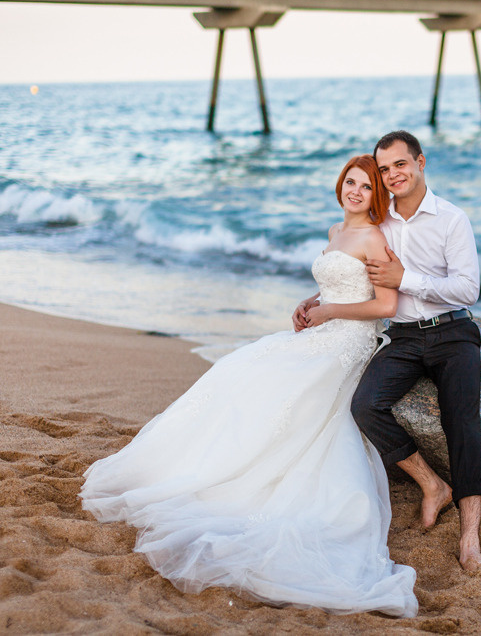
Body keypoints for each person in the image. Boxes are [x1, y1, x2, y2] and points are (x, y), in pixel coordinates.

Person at [80, 154, 418, 617]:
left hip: (348, 343)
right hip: (324, 328)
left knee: (277, 384)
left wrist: (330, 313)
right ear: (340, 185)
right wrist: (311, 302)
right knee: (242, 372)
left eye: (365, 187)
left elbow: (384, 305)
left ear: (376, 196)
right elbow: (341, 286)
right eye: (350, 183)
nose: (355, 192)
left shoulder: (374, 239)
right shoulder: (335, 233)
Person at [296, 131, 481, 572]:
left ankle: (470, 535)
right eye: (384, 169)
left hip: (452, 332)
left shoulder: (451, 219)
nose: (391, 175)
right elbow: (348, 269)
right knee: (365, 406)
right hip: (401, 337)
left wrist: (407, 278)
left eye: (399, 165)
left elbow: (468, 289)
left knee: (461, 419)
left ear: (420, 162)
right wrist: (315, 299)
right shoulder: (377, 223)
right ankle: (431, 484)